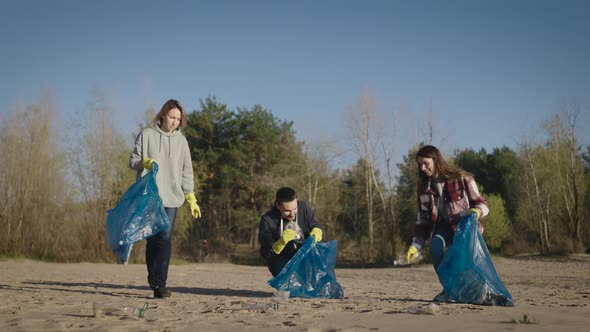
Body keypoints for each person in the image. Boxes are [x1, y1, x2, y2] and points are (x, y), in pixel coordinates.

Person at [129, 99, 202, 299]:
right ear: (163, 115)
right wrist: (144, 162)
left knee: (165, 238)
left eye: (178, 119)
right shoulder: (146, 135)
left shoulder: (182, 141)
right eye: (172, 117)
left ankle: (160, 284)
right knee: (153, 239)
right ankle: (154, 279)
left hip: (172, 198)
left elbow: (187, 171)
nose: (174, 122)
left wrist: (191, 197)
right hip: (150, 196)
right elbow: (133, 160)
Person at [405, 145, 489, 302]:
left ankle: (476, 290)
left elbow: (481, 203)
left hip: (465, 226)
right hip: (443, 226)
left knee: (457, 253)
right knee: (435, 245)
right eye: (420, 164)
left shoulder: (462, 178)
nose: (422, 168)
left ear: (436, 160)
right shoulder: (423, 187)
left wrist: (477, 211)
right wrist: (415, 245)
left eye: (426, 163)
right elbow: (422, 219)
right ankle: (449, 289)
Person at [259, 187, 324, 277]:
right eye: (287, 211)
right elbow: (265, 252)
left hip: (304, 253)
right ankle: (285, 286)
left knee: (318, 265)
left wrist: (318, 230)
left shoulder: (303, 207)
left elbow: (316, 224)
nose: (292, 214)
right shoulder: (267, 220)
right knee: (282, 272)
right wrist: (281, 243)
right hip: (281, 259)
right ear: (277, 205)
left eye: (294, 209)